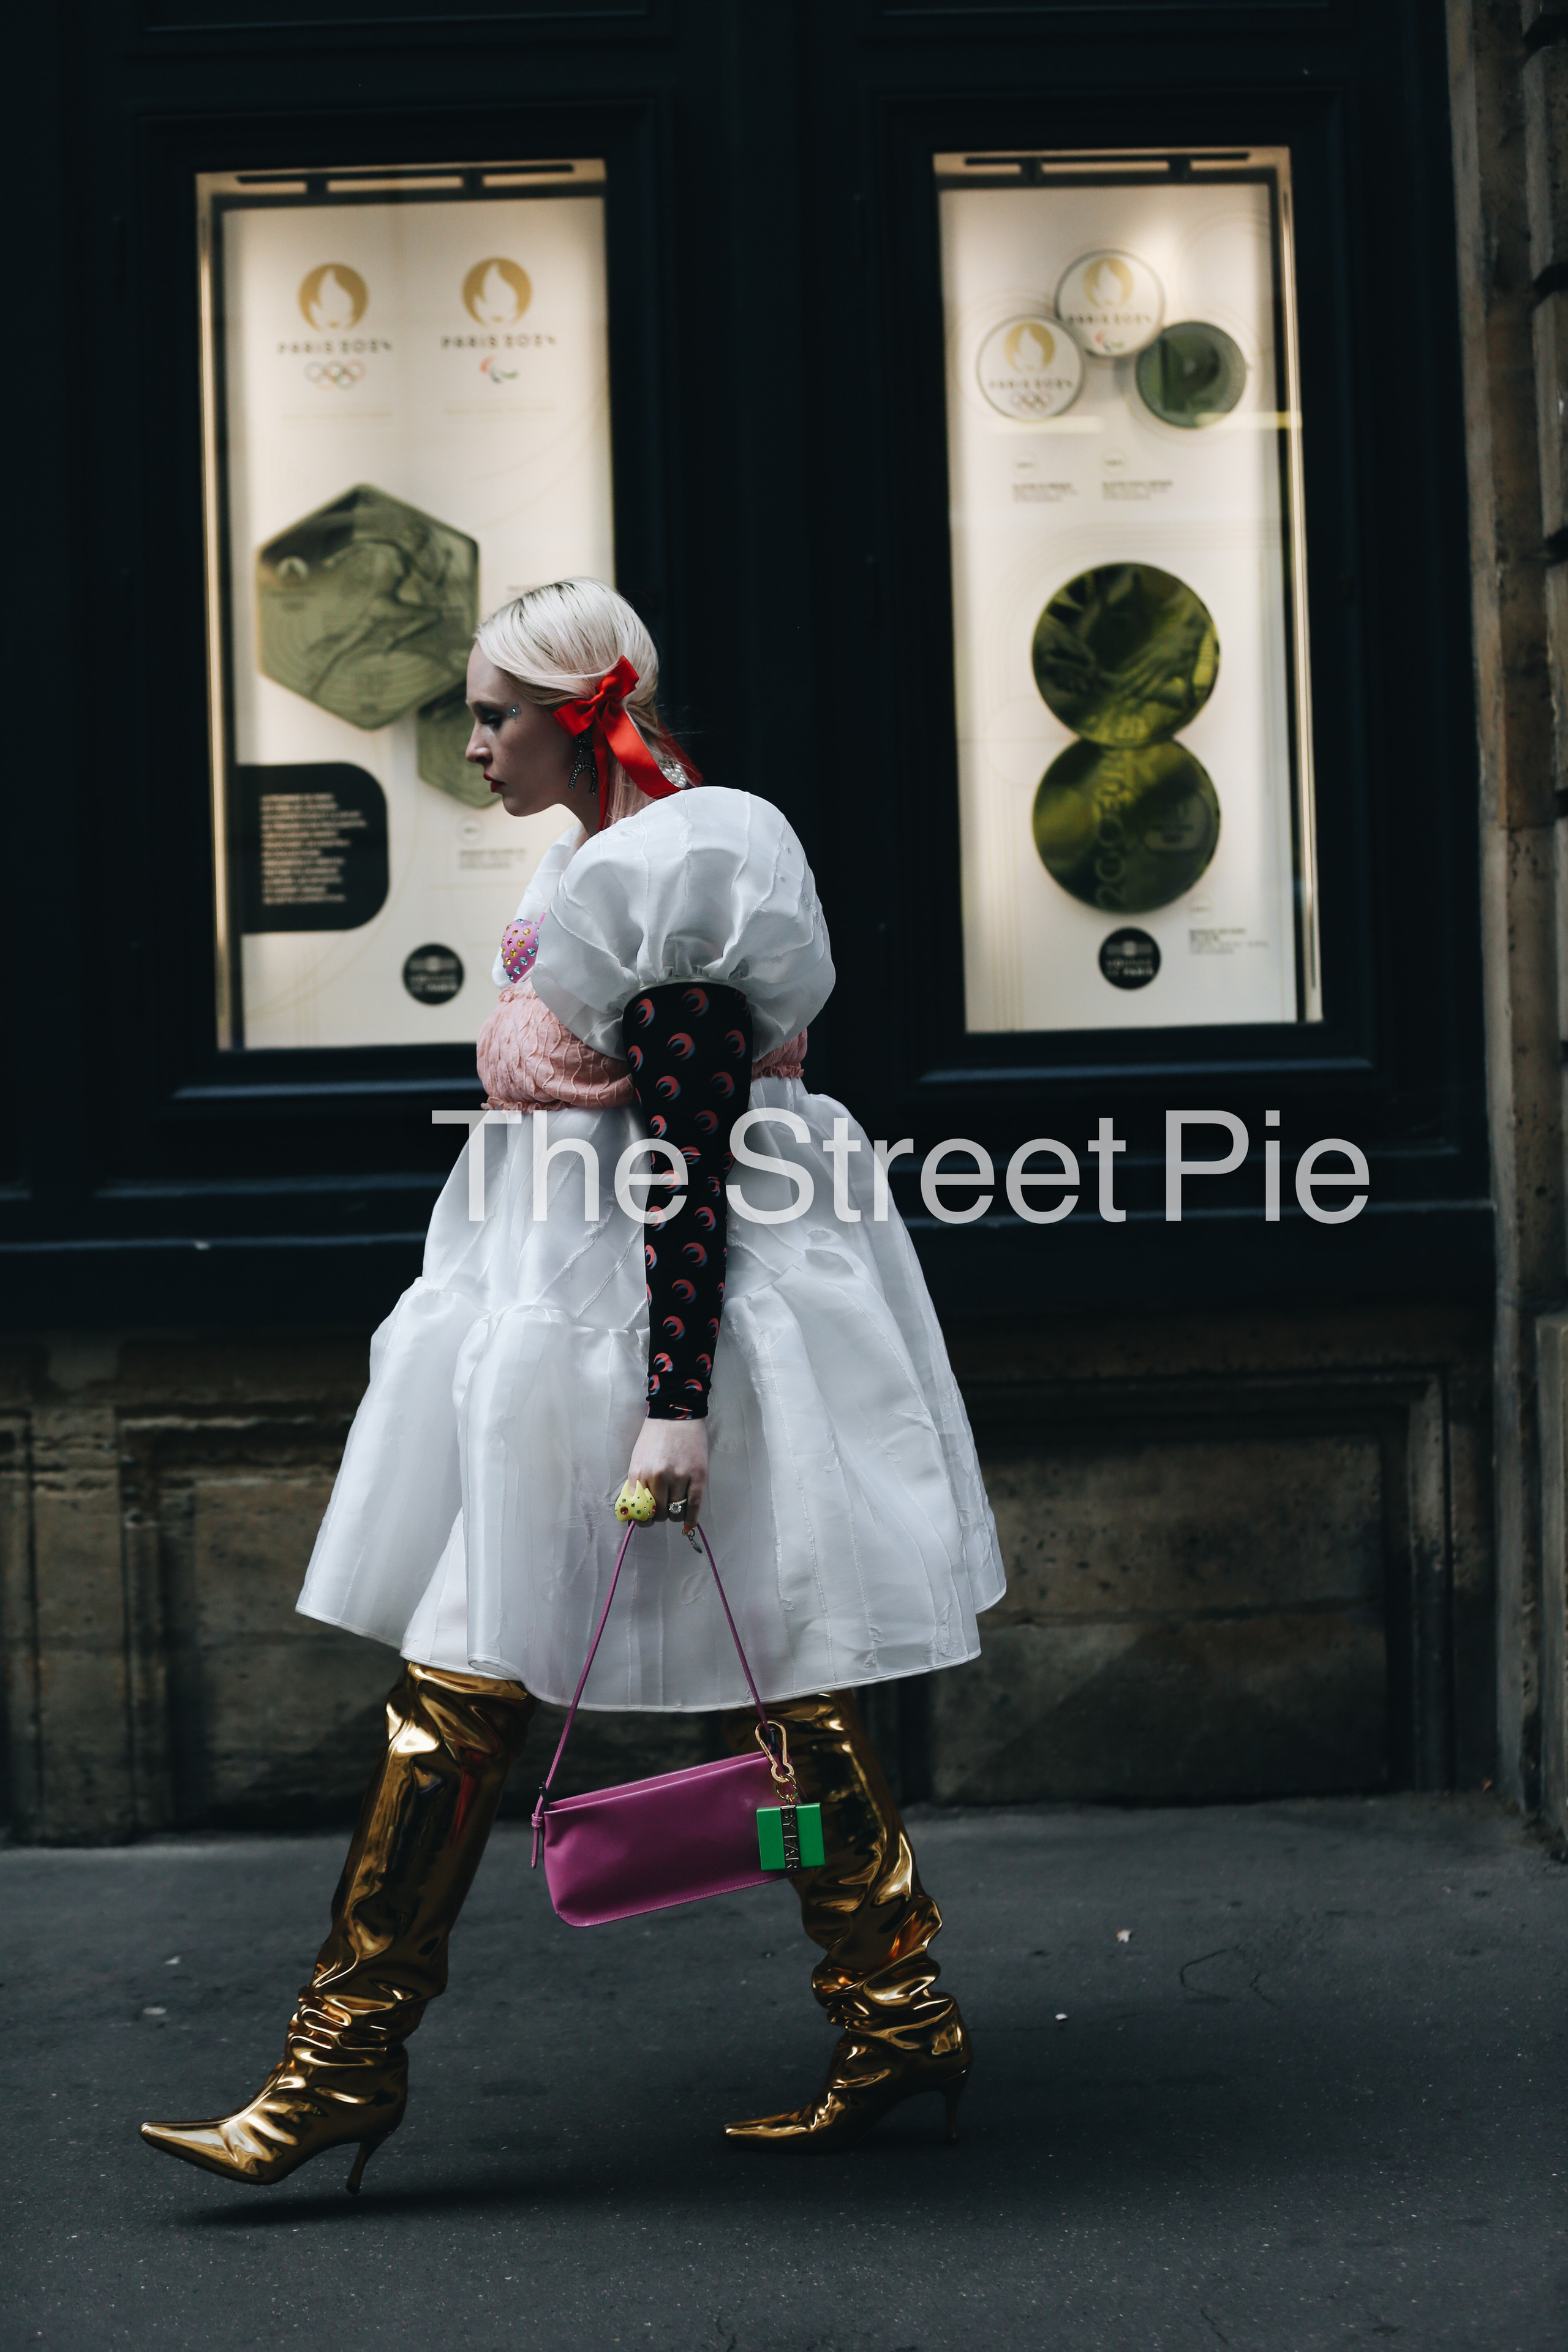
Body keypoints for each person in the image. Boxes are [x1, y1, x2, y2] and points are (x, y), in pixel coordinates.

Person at [141, 579, 1005, 2192]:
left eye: (491, 717)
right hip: (557, 1323)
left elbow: (690, 1162)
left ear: (577, 716)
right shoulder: (591, 864)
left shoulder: (679, 874)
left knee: (780, 1679)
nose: (471, 747)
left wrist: (676, 1405)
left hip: (663, 1331)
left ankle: (889, 2014)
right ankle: (348, 2060)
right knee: (482, 1686)